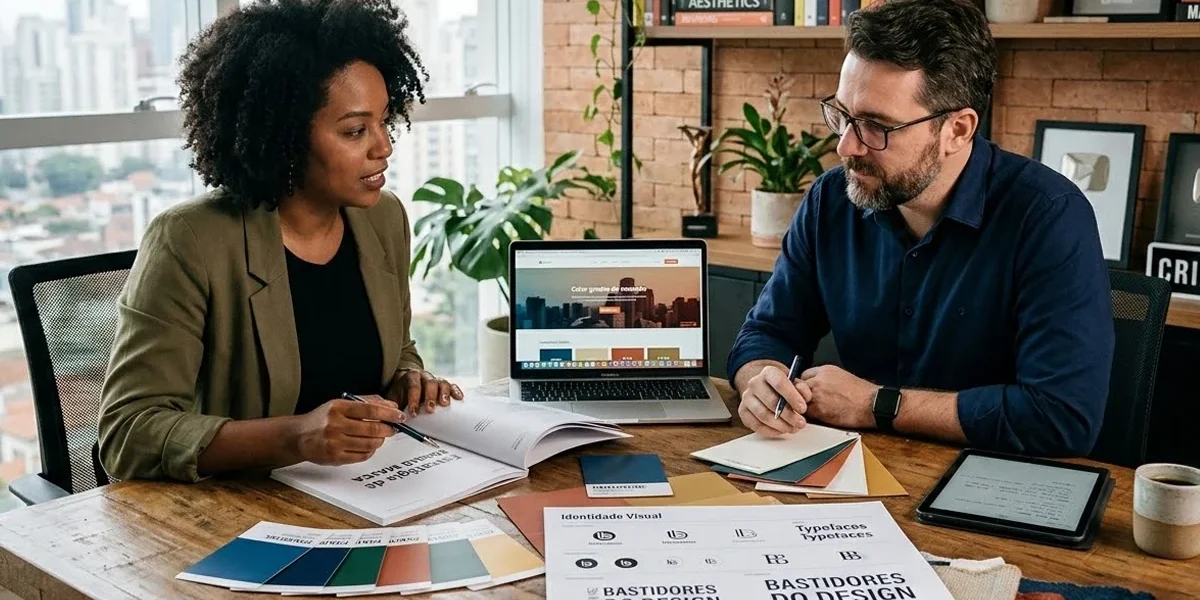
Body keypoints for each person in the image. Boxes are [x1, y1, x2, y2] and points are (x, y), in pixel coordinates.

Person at [98, 0, 465, 483]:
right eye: (356, 130)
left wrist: (407, 380)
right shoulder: (190, 240)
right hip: (241, 513)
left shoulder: (383, 218)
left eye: (384, 121)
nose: (384, 146)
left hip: (375, 492)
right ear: (284, 137)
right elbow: (128, 432)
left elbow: (396, 348)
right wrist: (297, 437)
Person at [728, 0, 1114, 457]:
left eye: (876, 126)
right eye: (842, 115)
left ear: (958, 129)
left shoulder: (1049, 216)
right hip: (849, 475)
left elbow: (1061, 417)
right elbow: (767, 333)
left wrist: (878, 405)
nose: (846, 145)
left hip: (990, 488)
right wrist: (760, 380)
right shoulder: (831, 200)